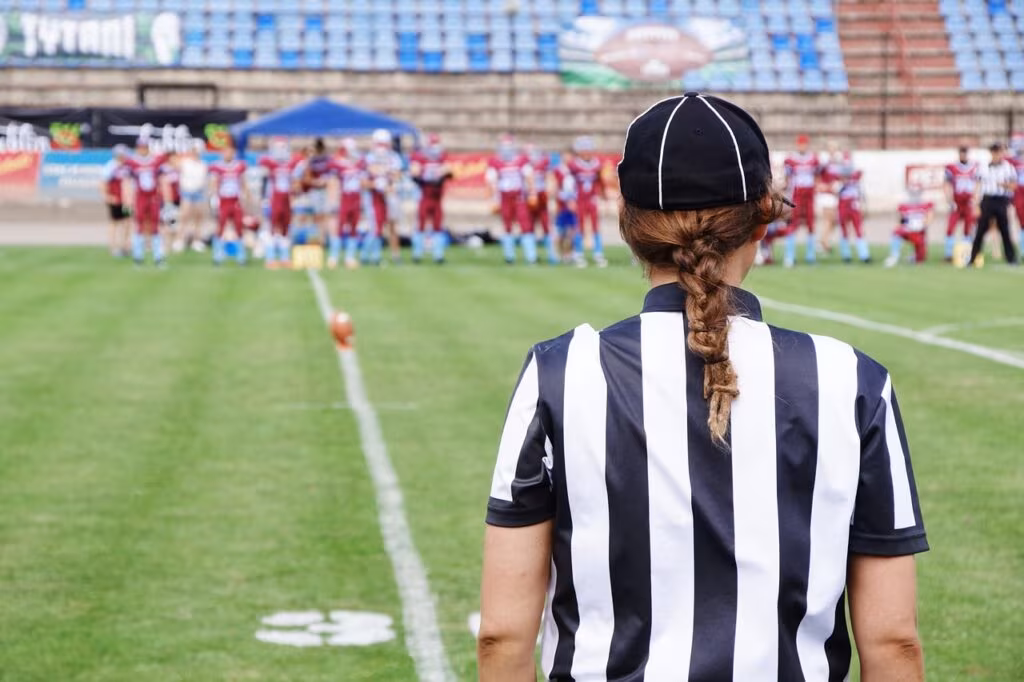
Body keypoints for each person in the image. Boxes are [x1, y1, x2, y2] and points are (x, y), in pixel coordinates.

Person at [478, 93, 927, 681]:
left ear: (630, 225)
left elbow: (502, 635)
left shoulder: (560, 371)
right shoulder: (852, 379)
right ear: (763, 219)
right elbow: (892, 642)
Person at [486, 135, 535, 264]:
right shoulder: (495, 162)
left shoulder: (521, 160)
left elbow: (529, 177)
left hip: (519, 197)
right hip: (504, 197)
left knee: (525, 224)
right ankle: (509, 256)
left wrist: (532, 193)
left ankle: (531, 256)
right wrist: (493, 199)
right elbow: (492, 181)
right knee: (507, 226)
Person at [122, 138, 171, 267]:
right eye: (140, 147)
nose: (143, 149)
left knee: (156, 225)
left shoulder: (156, 161)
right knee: (139, 225)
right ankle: (138, 257)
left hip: (153, 197)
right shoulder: (132, 162)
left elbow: (163, 180)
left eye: (145, 147)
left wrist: (167, 199)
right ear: (137, 148)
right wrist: (127, 200)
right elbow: (126, 182)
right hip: (140, 197)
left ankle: (158, 256)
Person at [968, 142, 1018, 267]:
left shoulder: (1008, 167)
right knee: (980, 230)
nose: (996, 154)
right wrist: (975, 203)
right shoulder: (983, 167)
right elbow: (977, 185)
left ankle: (1011, 258)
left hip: (1001, 200)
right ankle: (973, 258)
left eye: (998, 151)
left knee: (1005, 230)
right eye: (994, 151)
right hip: (987, 200)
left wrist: (1003, 184)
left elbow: (1014, 186)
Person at [410, 132, 452, 264]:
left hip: (437, 197)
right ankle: (417, 253)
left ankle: (438, 254)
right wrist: (424, 180)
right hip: (425, 195)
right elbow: (414, 173)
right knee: (421, 224)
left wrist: (442, 175)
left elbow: (449, 171)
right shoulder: (420, 157)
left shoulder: (442, 157)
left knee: (438, 225)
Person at [258, 138, 300, 269]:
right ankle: (270, 257)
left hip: (286, 199)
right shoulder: (269, 163)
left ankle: (284, 257)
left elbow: (295, 181)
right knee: (271, 228)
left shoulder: (291, 163)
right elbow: (264, 177)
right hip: (272, 200)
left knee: (285, 228)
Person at [364, 129, 403, 266]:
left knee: (393, 225)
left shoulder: (394, 157)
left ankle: (396, 255)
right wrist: (380, 179)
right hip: (375, 196)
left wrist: (388, 176)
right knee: (376, 226)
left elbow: (397, 175)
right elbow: (369, 174)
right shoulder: (370, 157)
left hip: (391, 195)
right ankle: (372, 255)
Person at [568, 136, 608, 268]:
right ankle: (578, 253)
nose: (586, 153)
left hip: (591, 199)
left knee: (595, 226)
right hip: (579, 199)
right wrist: (570, 199)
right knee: (579, 226)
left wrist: (603, 195)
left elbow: (600, 181)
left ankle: (598, 253)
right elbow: (568, 183)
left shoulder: (597, 164)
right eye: (583, 149)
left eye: (588, 149)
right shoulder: (573, 165)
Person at [327, 137, 367, 269]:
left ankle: (350, 257)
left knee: (354, 228)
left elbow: (363, 181)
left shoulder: (360, 162)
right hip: (344, 198)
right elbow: (333, 181)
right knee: (340, 227)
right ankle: (334, 256)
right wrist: (333, 200)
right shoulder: (338, 163)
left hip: (356, 198)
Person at [209, 143, 251, 266]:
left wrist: (247, 198)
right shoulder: (217, 167)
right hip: (223, 200)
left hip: (235, 200)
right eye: (226, 151)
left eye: (230, 151)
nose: (228, 154)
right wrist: (214, 198)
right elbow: (214, 183)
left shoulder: (239, 166)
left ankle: (241, 257)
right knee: (221, 227)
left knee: (239, 226)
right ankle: (218, 256)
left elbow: (243, 182)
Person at [783, 133, 820, 266]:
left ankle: (811, 255)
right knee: (792, 224)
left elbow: (817, 177)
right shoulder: (791, 160)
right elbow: (787, 179)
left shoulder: (814, 159)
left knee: (811, 224)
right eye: (800, 144)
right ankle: (789, 255)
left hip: (809, 195)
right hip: (796, 194)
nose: (803, 146)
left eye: (804, 144)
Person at [834, 151, 871, 263]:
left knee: (859, 229)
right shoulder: (838, 177)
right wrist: (842, 184)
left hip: (854, 204)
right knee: (844, 230)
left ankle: (864, 254)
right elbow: (836, 191)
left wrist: (864, 205)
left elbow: (861, 190)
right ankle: (846, 255)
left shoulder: (856, 176)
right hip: (843, 205)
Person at [944, 146, 979, 262]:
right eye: (961, 153)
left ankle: (967, 253)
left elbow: (978, 184)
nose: (963, 155)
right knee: (950, 227)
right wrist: (950, 201)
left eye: (965, 153)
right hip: (957, 203)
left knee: (968, 228)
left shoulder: (975, 167)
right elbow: (947, 185)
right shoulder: (952, 168)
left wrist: (975, 199)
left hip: (968, 202)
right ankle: (948, 254)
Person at [524, 143, 557, 265]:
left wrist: (551, 192)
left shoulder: (544, 163)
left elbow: (550, 178)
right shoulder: (524, 164)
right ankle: (531, 256)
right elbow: (526, 179)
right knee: (528, 227)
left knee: (547, 226)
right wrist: (531, 192)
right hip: (529, 197)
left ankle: (552, 255)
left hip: (542, 196)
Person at [885, 185, 933, 267]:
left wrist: (922, 225)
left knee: (920, 260)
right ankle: (894, 255)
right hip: (907, 231)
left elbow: (929, 218)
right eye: (913, 193)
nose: (915, 195)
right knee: (896, 232)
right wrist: (905, 224)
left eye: (916, 192)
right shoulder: (904, 206)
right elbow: (900, 221)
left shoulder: (925, 205)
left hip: (919, 232)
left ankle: (914, 256)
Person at [177, 140, 208, 253]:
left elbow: (204, 180)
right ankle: (180, 239)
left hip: (199, 192)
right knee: (184, 216)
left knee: (198, 217)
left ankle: (197, 240)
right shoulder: (185, 162)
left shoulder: (203, 165)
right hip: (187, 192)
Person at [101, 144, 131, 258]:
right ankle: (113, 247)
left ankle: (125, 245)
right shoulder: (110, 167)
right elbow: (103, 183)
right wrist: (107, 196)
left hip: (127, 201)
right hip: (116, 200)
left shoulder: (128, 167)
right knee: (114, 223)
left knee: (127, 222)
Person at [301, 137, 332, 243]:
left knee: (326, 214)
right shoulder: (312, 160)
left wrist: (326, 181)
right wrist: (316, 182)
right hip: (315, 190)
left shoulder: (327, 159)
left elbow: (332, 174)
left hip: (326, 190)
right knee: (317, 215)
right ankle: (318, 238)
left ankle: (324, 237)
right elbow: (306, 177)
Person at [552, 150, 578, 265]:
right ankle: (558, 253)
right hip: (561, 206)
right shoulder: (558, 171)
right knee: (560, 232)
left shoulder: (574, 170)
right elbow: (554, 187)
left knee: (571, 232)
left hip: (573, 206)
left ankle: (569, 254)